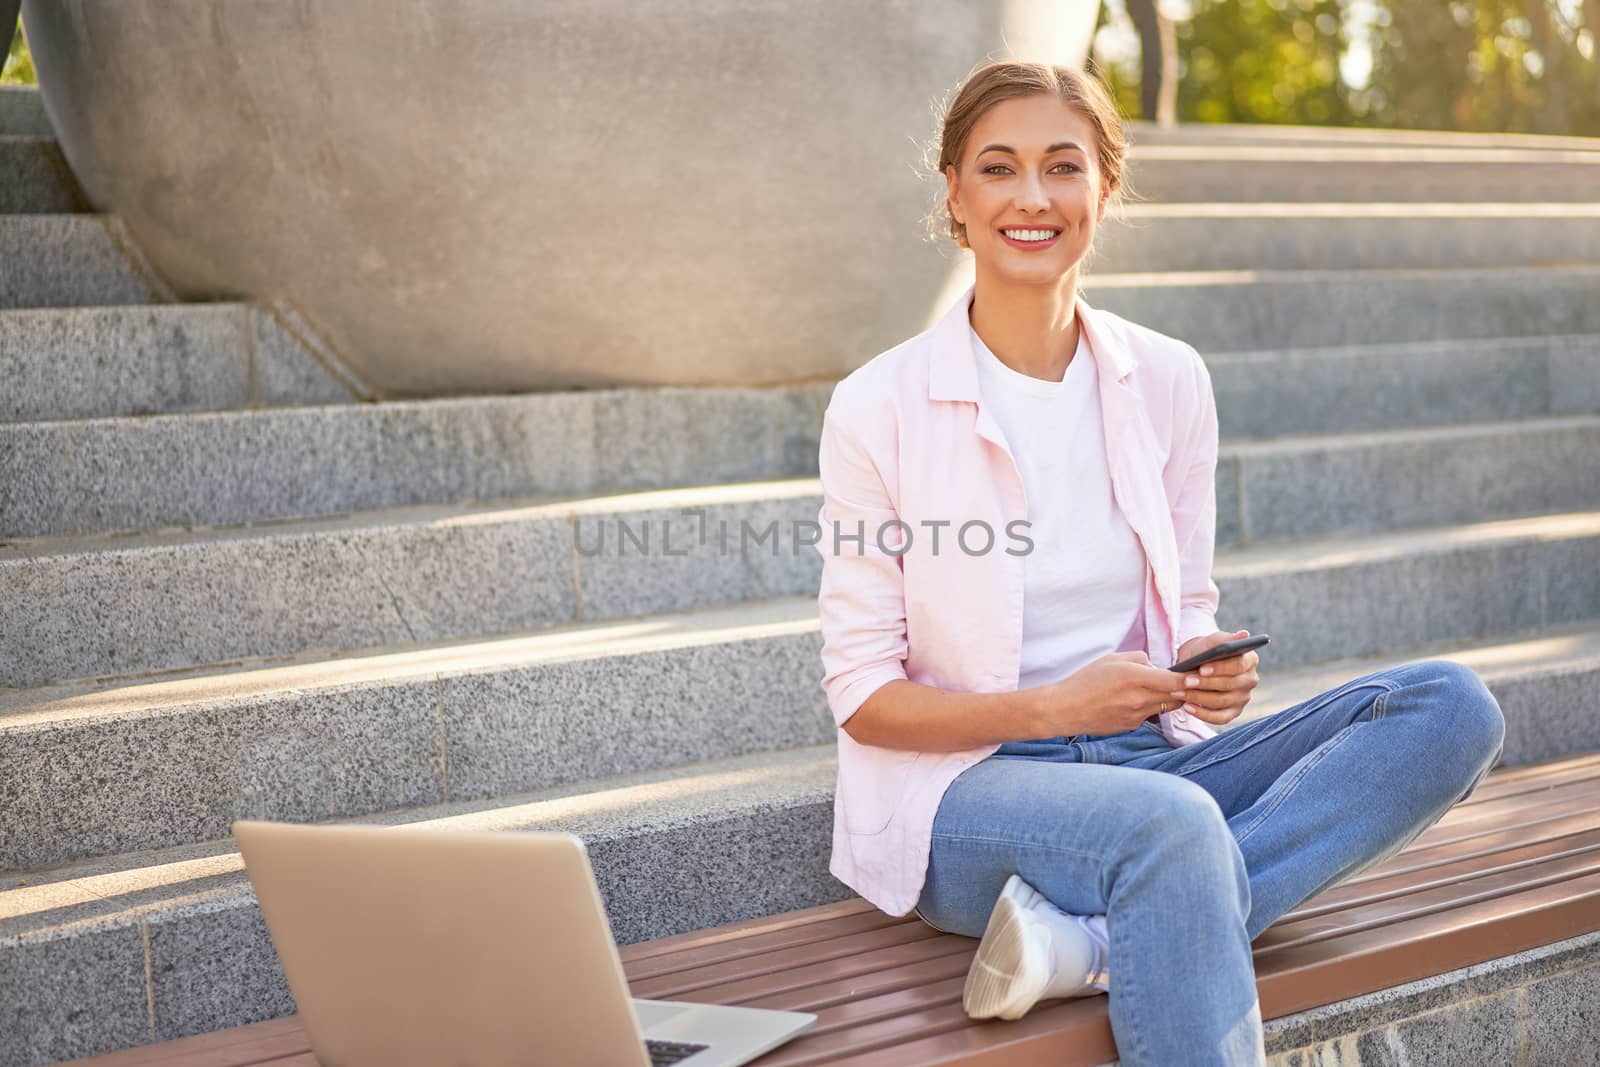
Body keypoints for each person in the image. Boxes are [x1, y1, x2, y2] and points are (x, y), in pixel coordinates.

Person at [810, 60, 1506, 1066]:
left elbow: (1183, 595)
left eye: (1063, 166)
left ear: (1104, 188)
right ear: (955, 195)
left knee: (1450, 705)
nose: (1032, 197)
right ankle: (1141, 910)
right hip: (966, 795)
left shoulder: (1167, 378)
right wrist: (1054, 709)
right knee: (1168, 828)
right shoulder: (878, 406)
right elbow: (864, 695)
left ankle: (1082, 941)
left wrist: (1202, 657)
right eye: (999, 168)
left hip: (1151, 758)